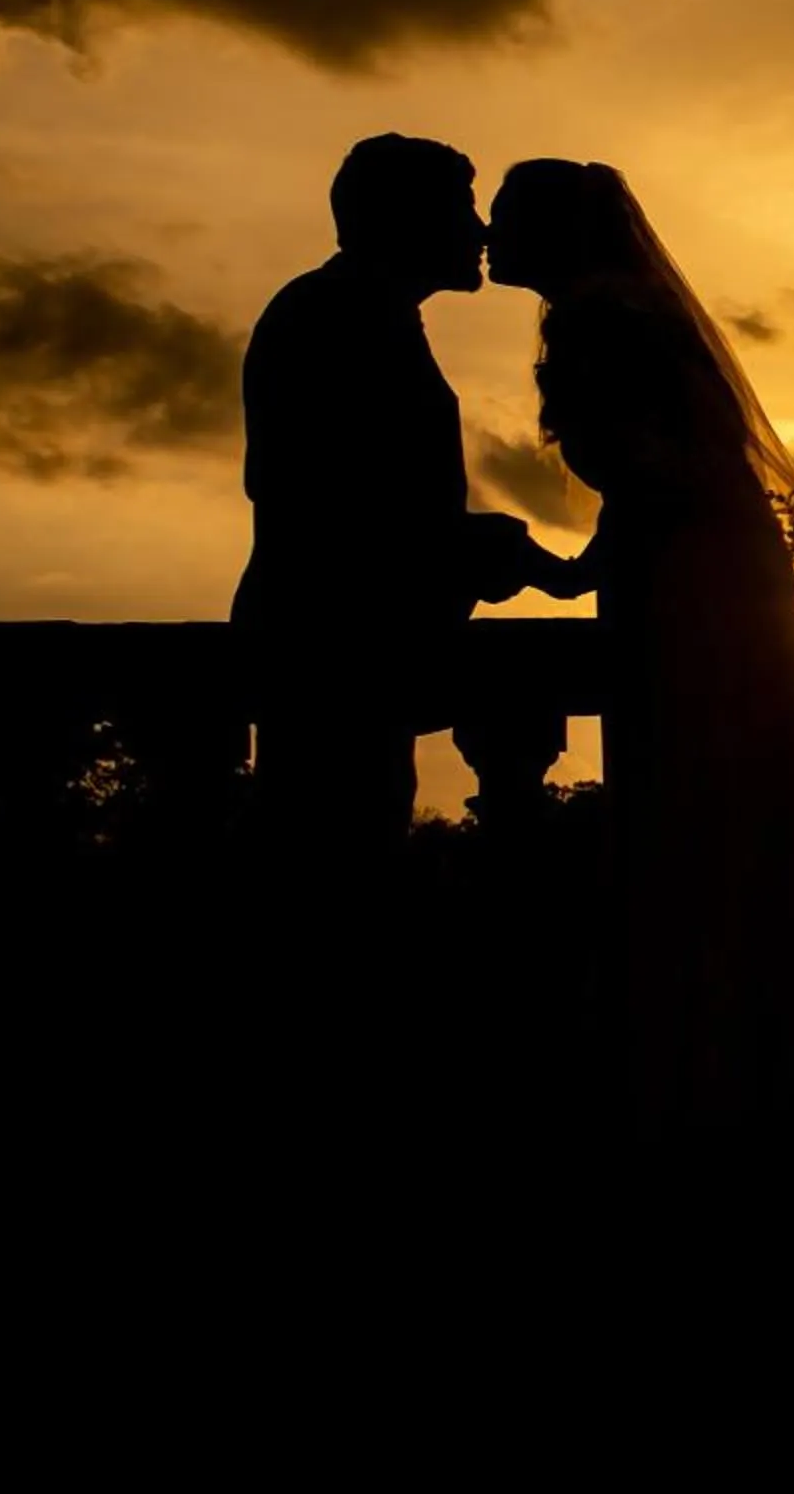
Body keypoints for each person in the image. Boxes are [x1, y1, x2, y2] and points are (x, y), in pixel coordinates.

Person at [484, 158, 794, 1146]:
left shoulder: (599, 315)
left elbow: (662, 464)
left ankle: (683, 1083)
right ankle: (715, 1070)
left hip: (688, 590)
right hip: (705, 575)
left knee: (686, 806)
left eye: (504, 219)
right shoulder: (620, 306)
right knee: (713, 816)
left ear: (555, 231)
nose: (487, 236)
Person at [233, 133, 580, 934]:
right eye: (460, 208)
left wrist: (480, 547)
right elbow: (332, 512)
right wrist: (486, 550)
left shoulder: (355, 313)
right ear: (405, 219)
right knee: (328, 884)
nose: (480, 231)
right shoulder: (333, 318)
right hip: (329, 655)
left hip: (345, 657)